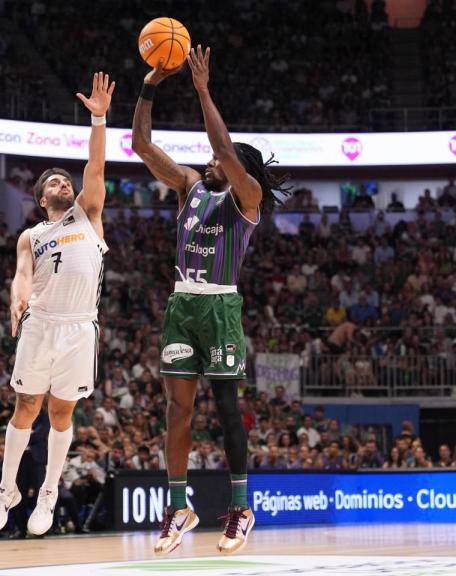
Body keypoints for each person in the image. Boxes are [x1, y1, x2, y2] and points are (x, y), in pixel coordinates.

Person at [132, 46, 291, 555]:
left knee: (225, 408)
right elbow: (140, 144)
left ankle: (241, 508)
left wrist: (202, 90)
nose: (209, 160)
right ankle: (179, 508)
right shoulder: (188, 187)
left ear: (238, 166)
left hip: (220, 308)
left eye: (220, 159)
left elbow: (222, 146)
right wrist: (149, 86)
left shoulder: (248, 199)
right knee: (176, 411)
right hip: (182, 307)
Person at [0, 72, 115, 537]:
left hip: (79, 326)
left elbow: (95, 167)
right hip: (40, 322)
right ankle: (7, 489)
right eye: (55, 182)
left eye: (65, 180)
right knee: (25, 404)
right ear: (42, 199)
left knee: (61, 413)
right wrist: (16, 296)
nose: (64, 183)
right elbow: (22, 274)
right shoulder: (31, 235)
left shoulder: (88, 214)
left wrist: (98, 119)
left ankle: (48, 491)